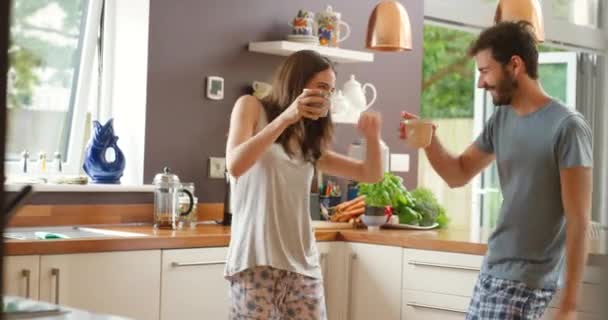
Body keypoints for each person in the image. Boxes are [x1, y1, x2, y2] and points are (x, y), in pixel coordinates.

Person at [400, 21, 593, 320]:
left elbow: (578, 220)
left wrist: (569, 305)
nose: (480, 83)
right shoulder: (501, 119)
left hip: (527, 280)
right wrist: (429, 140)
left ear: (514, 65)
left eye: (485, 71)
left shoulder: (567, 127)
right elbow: (458, 174)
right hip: (493, 270)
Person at [224, 50, 383, 319]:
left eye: (330, 91)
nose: (326, 96)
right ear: (296, 83)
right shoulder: (250, 106)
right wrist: (286, 117)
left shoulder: (309, 139)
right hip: (254, 263)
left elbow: (369, 173)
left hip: (303, 268)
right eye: (322, 87)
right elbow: (235, 164)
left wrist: (372, 137)